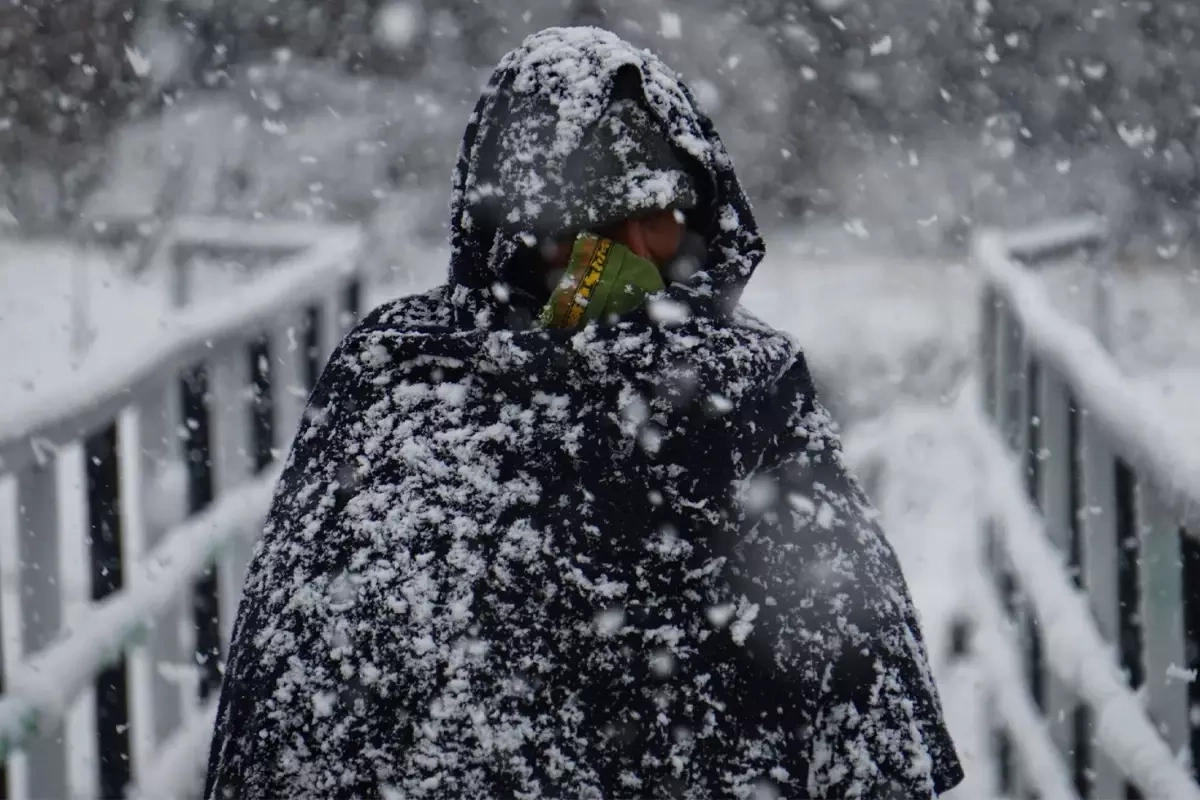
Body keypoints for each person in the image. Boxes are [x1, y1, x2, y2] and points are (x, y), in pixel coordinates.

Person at [205, 26, 963, 799]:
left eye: (660, 216)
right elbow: (306, 697)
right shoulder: (401, 380)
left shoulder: (752, 395)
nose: (628, 256)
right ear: (516, 235)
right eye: (590, 226)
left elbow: (863, 702)